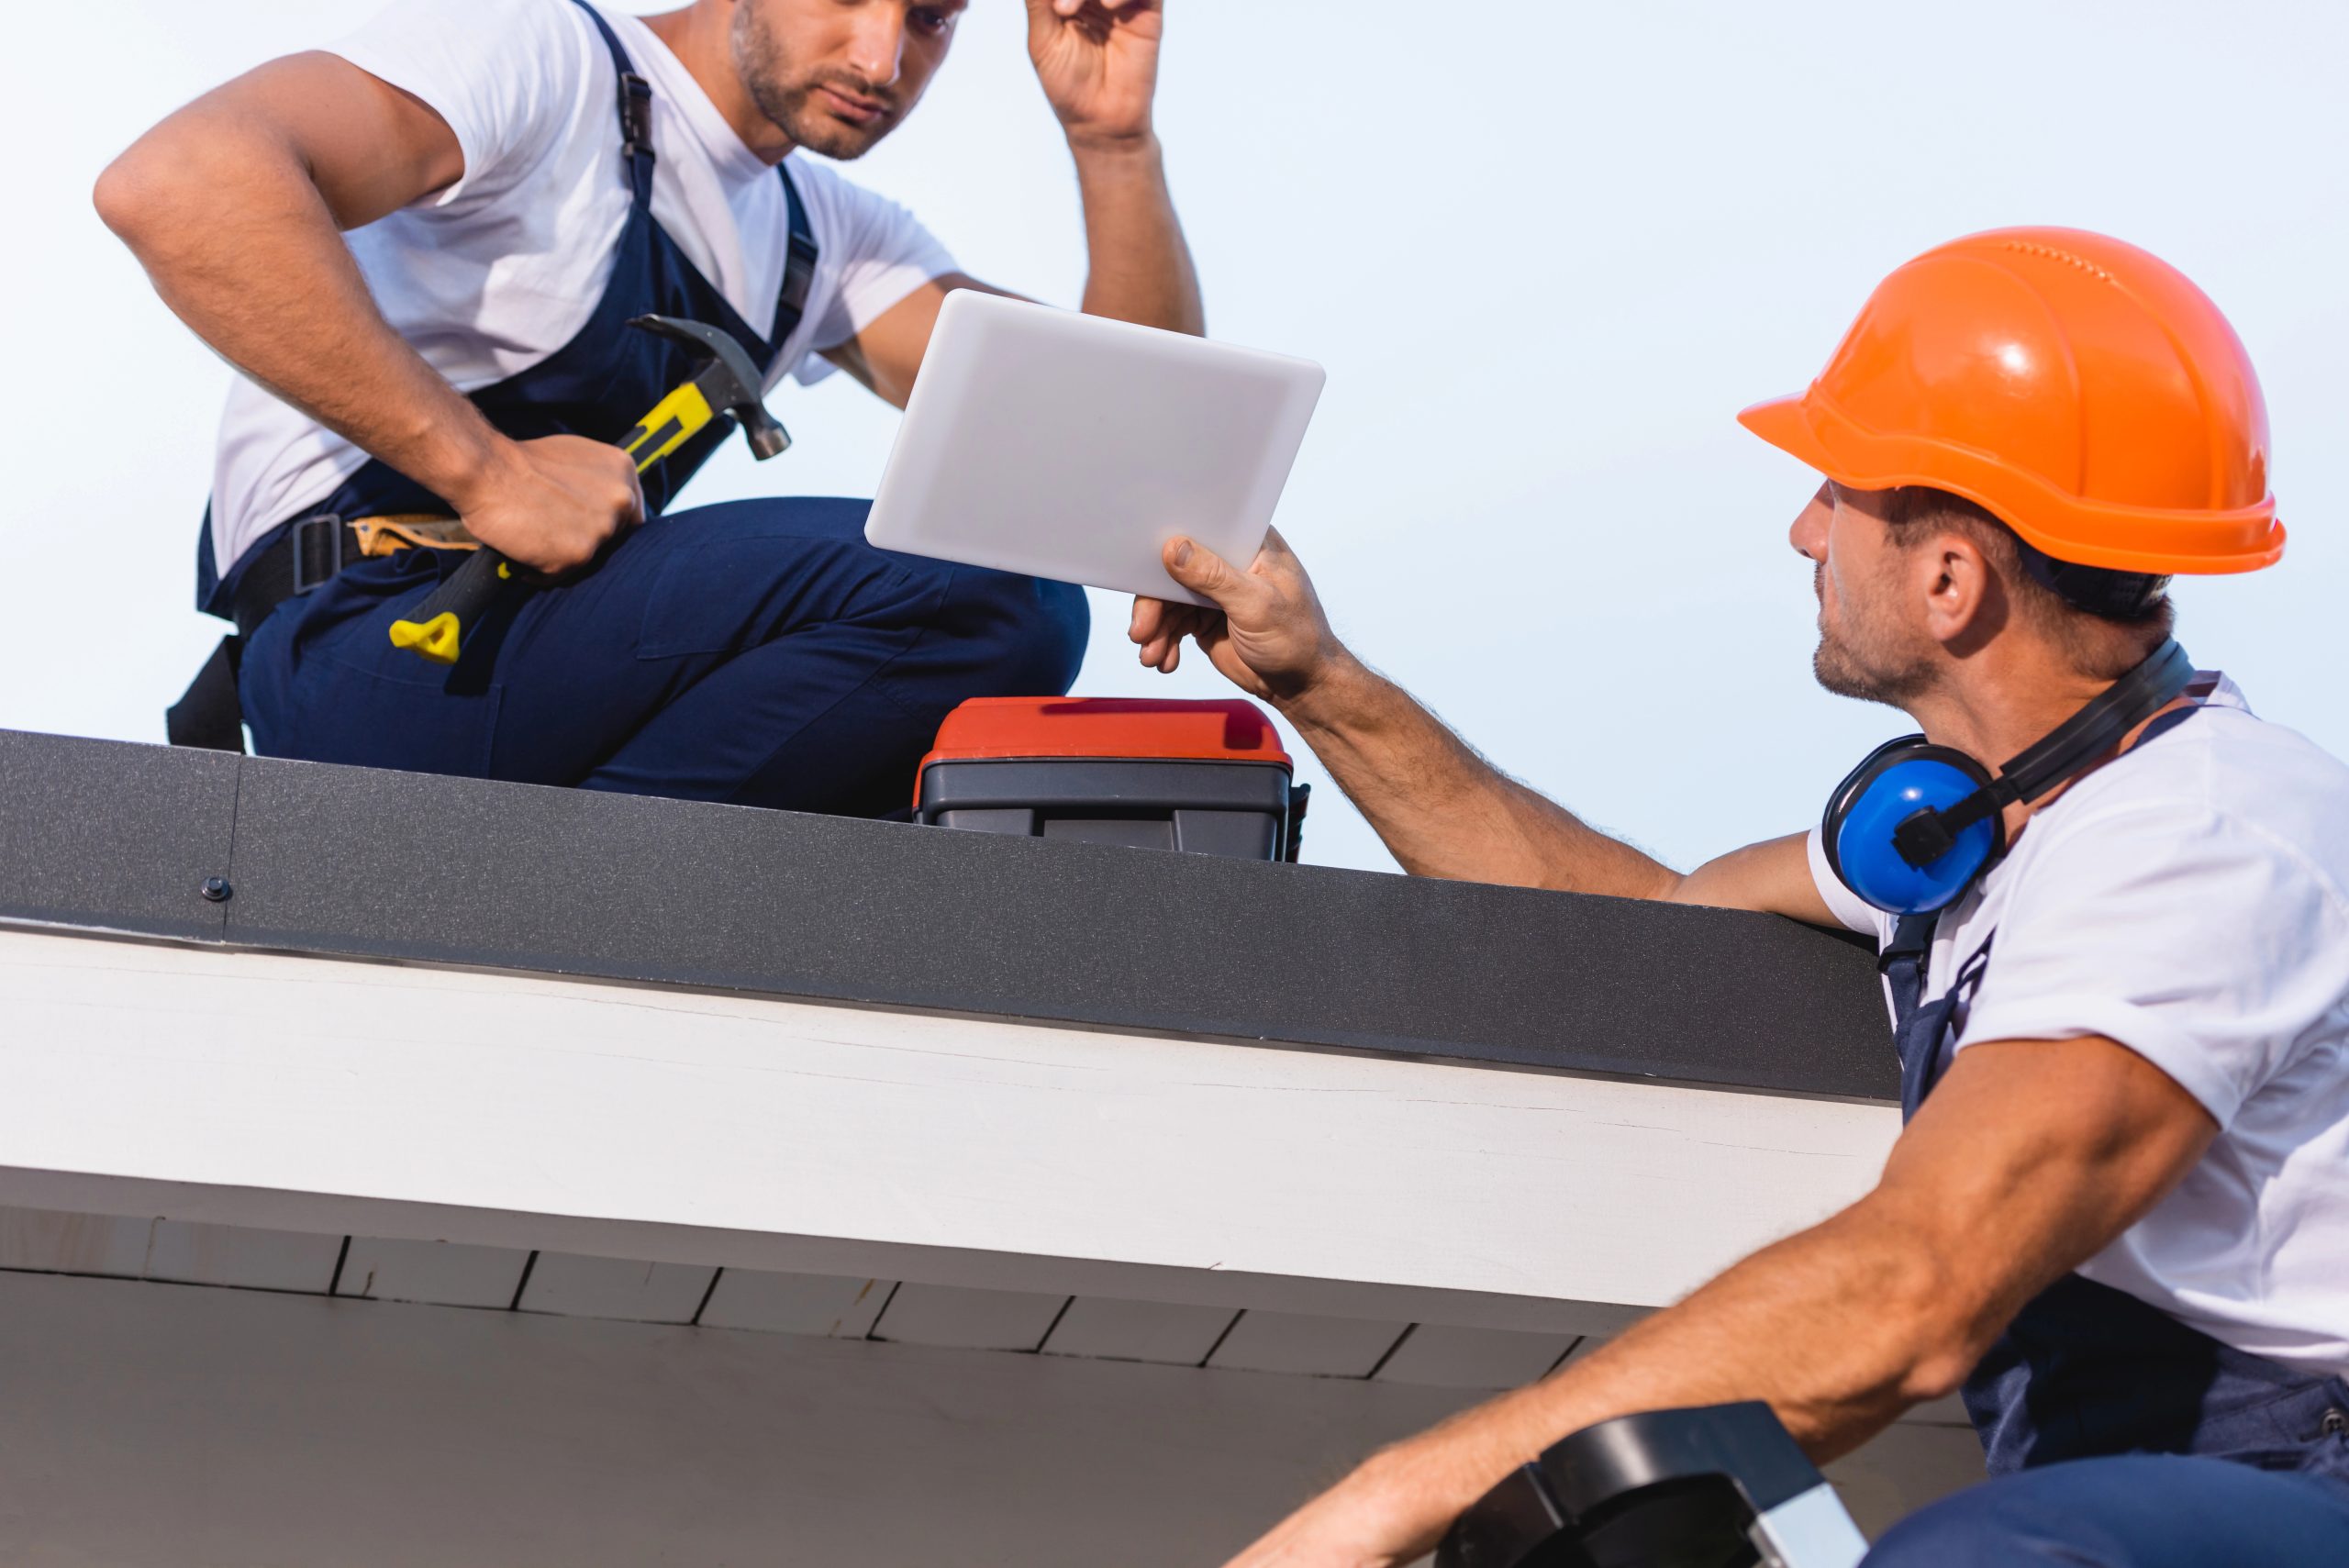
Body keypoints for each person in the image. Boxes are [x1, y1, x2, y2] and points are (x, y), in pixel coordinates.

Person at [1130, 228, 2349, 1565]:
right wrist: (1317, 682)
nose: (1802, 530)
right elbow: (1644, 917)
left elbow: (1916, 1282)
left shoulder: (2200, 833)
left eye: (1837, 492)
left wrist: (1379, 1503)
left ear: (1950, 580)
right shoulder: (1969, 830)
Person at [99, 0, 1198, 816]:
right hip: (373, 642)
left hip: (539, 660)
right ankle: (587, 886)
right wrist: (486, 470)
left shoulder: (825, 235)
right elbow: (182, 184)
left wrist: (1111, 143)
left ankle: (584, 904)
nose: (881, 58)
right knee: (987, 598)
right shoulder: (542, 57)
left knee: (962, 698)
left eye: (929, 19)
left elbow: (1123, 439)